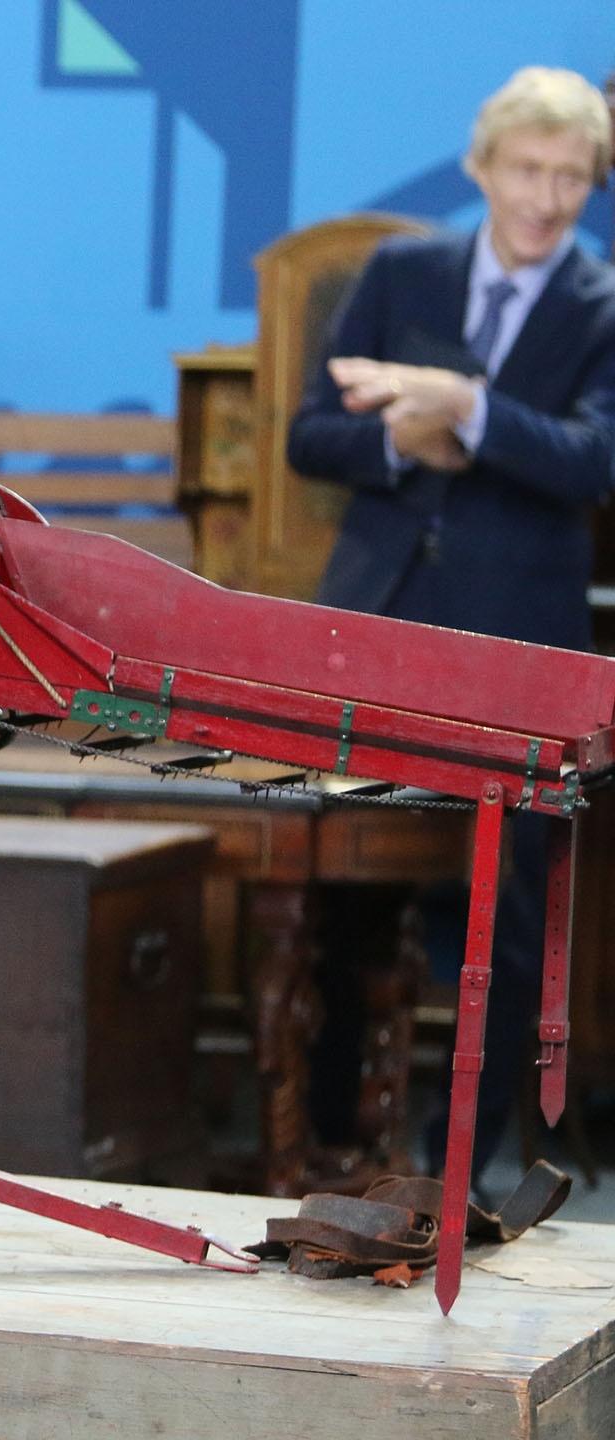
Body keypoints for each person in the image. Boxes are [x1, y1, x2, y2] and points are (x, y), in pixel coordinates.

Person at [287, 65, 615, 1188]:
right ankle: (334, 1145)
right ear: (481, 168)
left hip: (515, 646)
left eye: (572, 178)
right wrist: (397, 441)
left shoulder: (598, 307)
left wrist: (468, 411)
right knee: (342, 884)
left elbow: (595, 458)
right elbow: (311, 436)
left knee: (508, 909)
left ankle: (466, 1157)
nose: (546, 197)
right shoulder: (402, 268)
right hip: (375, 624)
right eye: (528, 170)